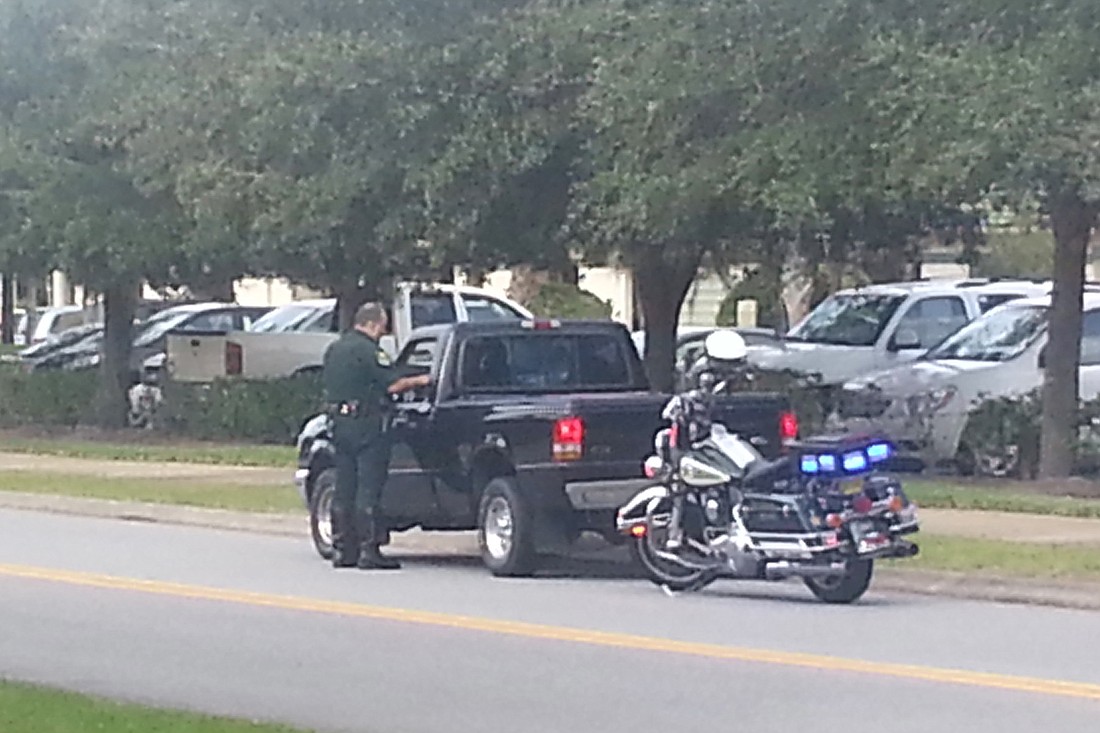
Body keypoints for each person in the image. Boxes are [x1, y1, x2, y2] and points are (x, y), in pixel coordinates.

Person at [321, 302, 430, 570]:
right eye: (382, 326)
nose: (383, 331)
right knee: (368, 487)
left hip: (339, 423)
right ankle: (369, 550)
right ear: (371, 323)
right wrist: (421, 380)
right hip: (366, 425)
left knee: (344, 486)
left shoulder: (335, 349)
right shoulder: (368, 350)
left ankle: (343, 550)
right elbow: (392, 384)